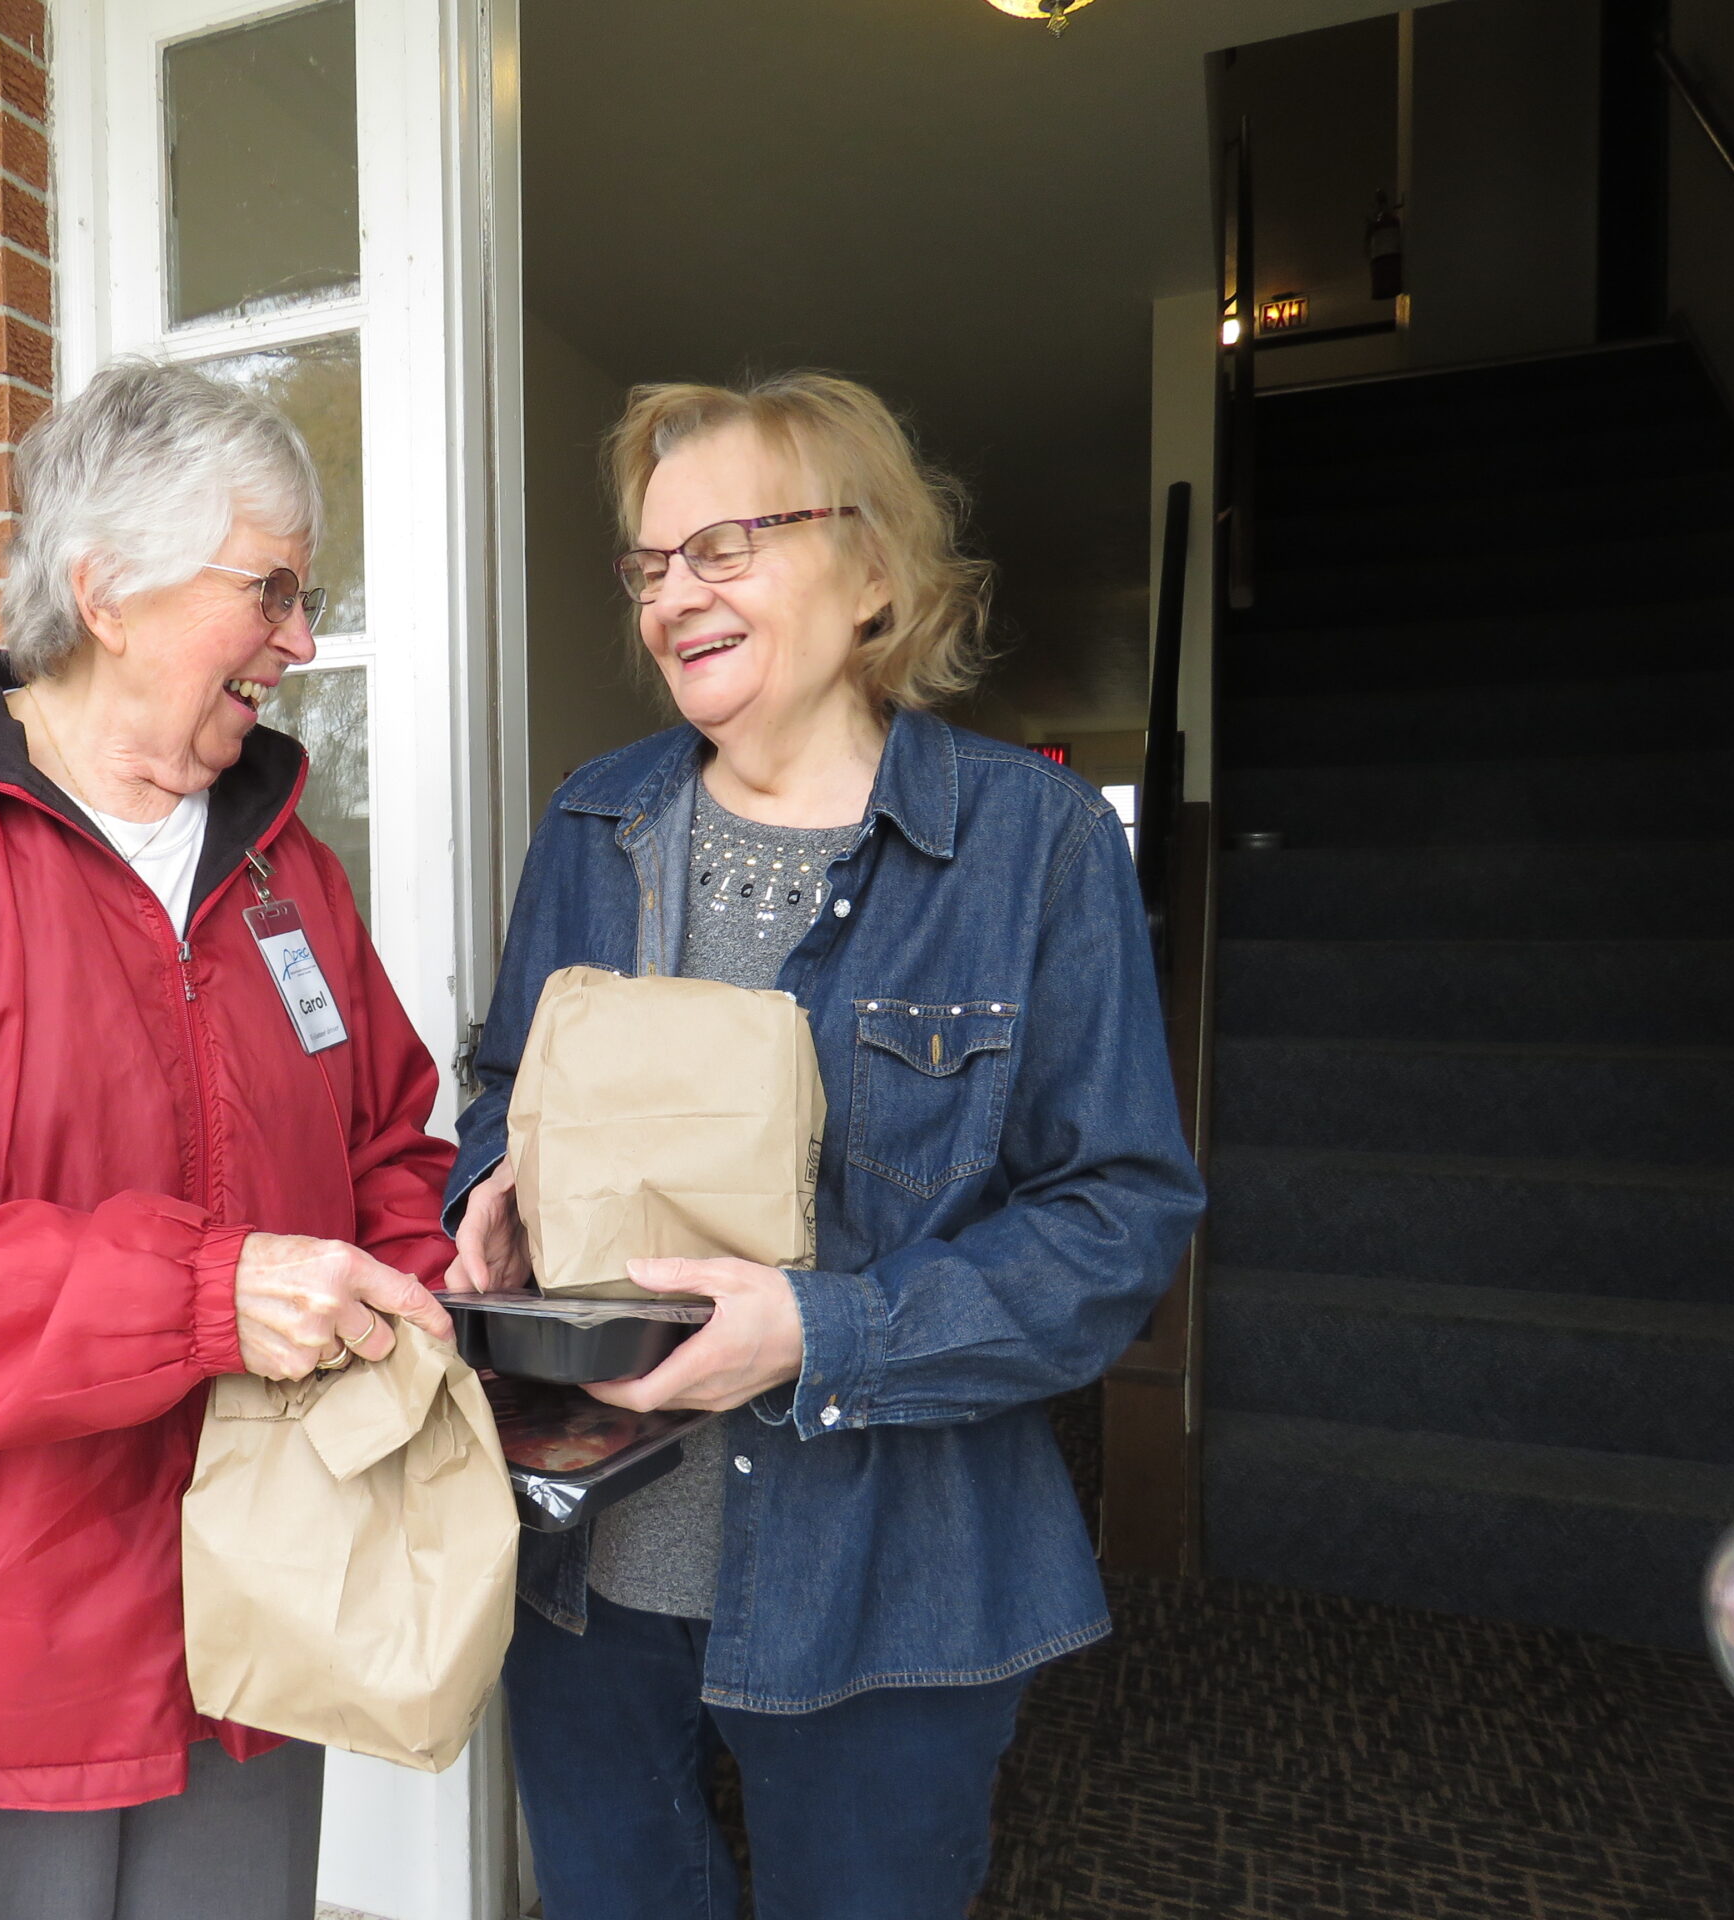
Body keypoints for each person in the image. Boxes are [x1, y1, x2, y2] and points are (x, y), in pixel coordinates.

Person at [447, 372, 1205, 1919]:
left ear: (873, 574)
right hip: (585, 1562)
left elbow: (1117, 1217)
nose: (672, 599)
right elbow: (507, 1079)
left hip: (893, 1579)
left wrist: (821, 1331)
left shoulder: (1031, 845)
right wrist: (493, 1192)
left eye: (721, 548)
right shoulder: (599, 821)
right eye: (650, 567)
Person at [0, 359, 457, 1920]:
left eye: (306, 593)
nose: (304, 639)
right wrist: (211, 1293)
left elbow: (387, 1132)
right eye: (268, 586)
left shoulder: (283, 866)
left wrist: (429, 1278)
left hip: (252, 1615)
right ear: (104, 587)